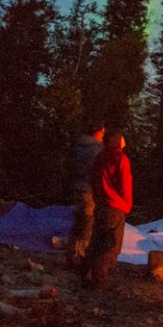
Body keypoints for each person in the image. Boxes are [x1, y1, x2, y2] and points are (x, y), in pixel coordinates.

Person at [82, 129, 131, 288]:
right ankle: (98, 279)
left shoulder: (99, 156)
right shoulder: (120, 158)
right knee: (111, 245)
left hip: (101, 204)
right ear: (117, 140)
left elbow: (93, 178)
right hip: (115, 206)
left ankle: (84, 274)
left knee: (96, 241)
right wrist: (126, 205)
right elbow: (125, 184)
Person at [66, 123, 105, 268]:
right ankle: (80, 257)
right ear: (98, 132)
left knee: (78, 221)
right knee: (87, 222)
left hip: (77, 186)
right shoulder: (96, 149)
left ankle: (71, 254)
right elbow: (98, 171)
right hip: (89, 189)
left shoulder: (78, 146)